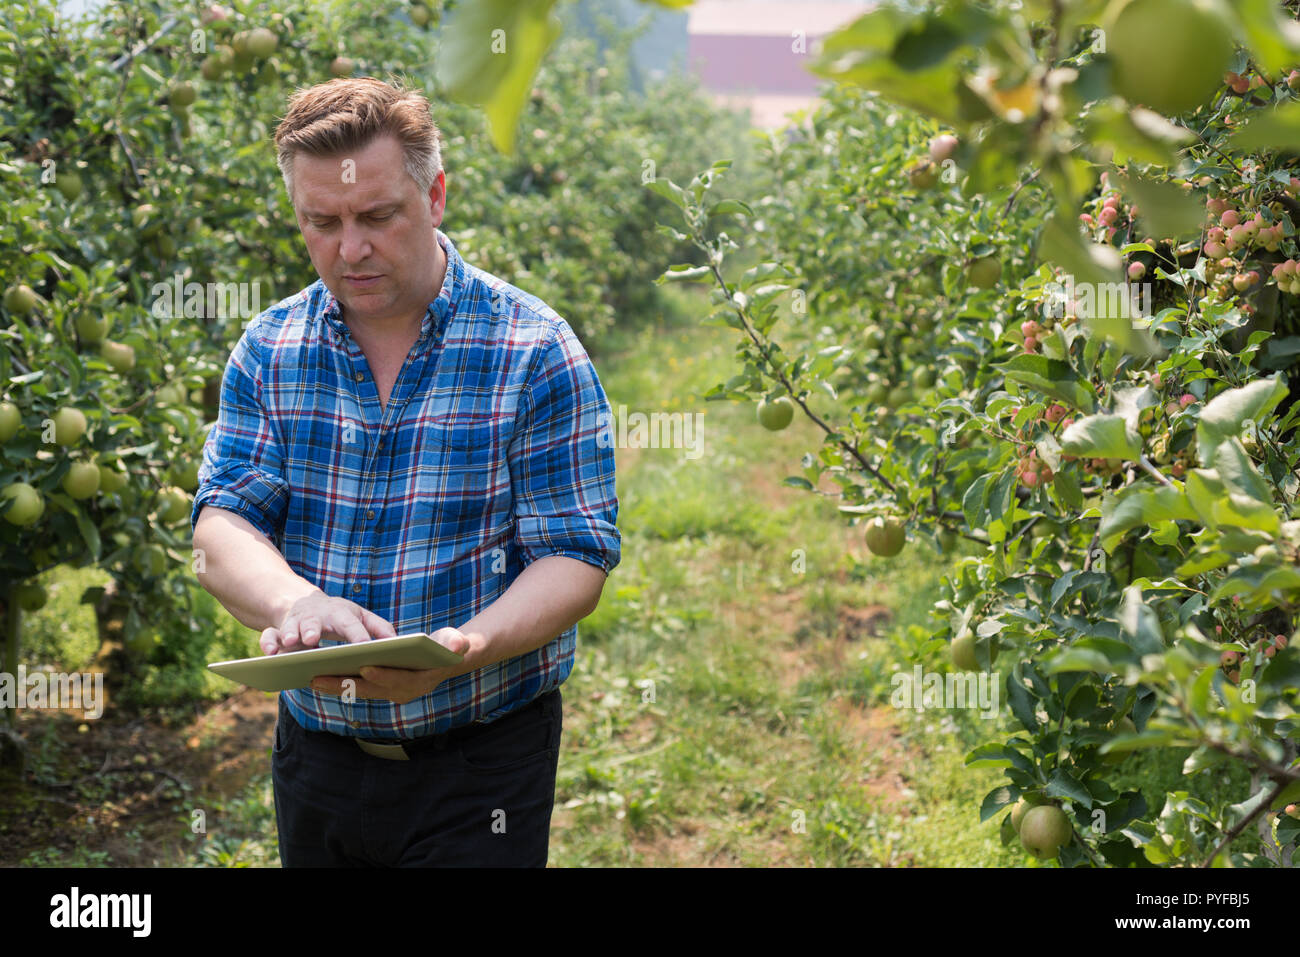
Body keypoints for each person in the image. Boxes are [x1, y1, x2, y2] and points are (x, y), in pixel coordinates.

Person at [191, 77, 621, 867]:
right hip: (318, 756)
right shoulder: (270, 349)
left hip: (481, 760)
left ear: (436, 195)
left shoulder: (532, 351)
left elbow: (576, 553)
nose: (350, 248)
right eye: (321, 223)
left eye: (377, 216)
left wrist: (468, 645)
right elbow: (223, 524)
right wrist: (301, 603)